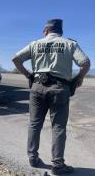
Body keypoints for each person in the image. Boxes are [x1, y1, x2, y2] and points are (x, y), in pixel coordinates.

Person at [12, 19, 90, 175]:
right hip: (60, 88)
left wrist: (29, 75)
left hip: (37, 87)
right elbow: (85, 63)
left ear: (46, 31)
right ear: (60, 32)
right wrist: (78, 78)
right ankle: (58, 165)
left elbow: (15, 59)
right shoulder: (69, 44)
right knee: (58, 127)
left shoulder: (35, 44)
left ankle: (33, 158)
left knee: (34, 124)